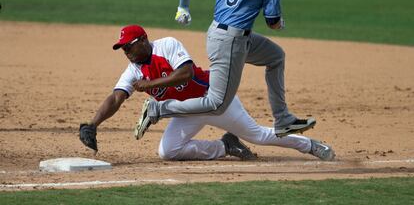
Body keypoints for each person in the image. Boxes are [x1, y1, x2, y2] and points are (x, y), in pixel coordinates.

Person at [136, 0, 315, 139]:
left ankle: (283, 120)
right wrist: (280, 24)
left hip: (225, 35)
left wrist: (182, 7)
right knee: (217, 103)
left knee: (276, 56)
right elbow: (272, 22)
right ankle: (158, 109)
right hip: (231, 42)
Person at [79, 25, 335, 162]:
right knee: (168, 152)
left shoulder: (166, 45)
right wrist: (93, 124)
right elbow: (116, 97)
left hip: (215, 99)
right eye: (122, 48)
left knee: (258, 135)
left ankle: (311, 146)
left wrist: (151, 84)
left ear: (144, 40)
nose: (126, 51)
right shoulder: (133, 70)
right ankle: (225, 146)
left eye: (129, 46)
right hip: (186, 112)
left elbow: (187, 73)